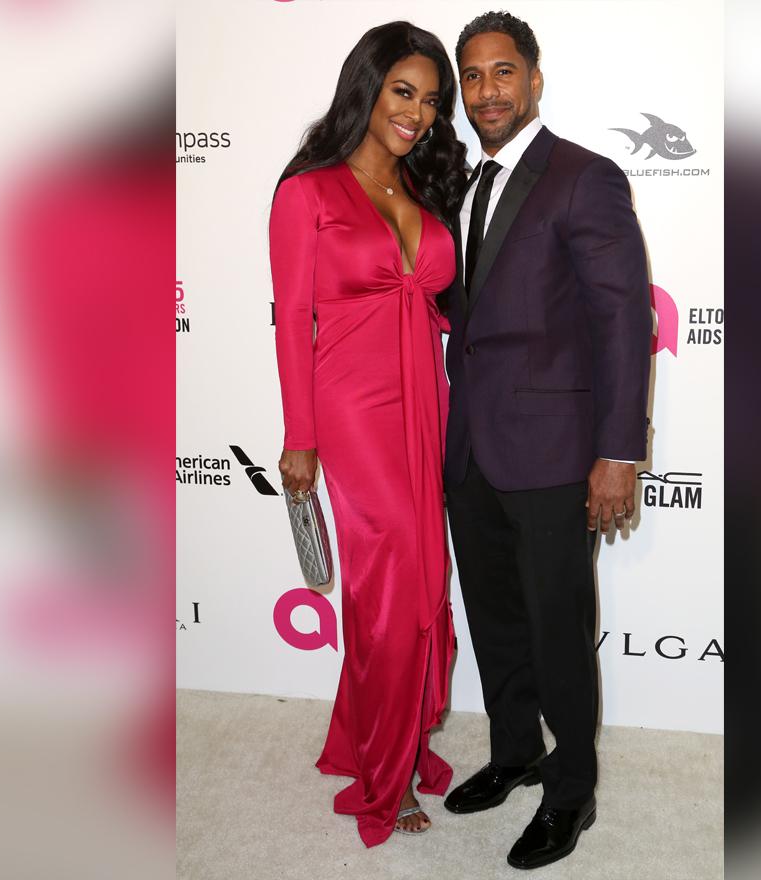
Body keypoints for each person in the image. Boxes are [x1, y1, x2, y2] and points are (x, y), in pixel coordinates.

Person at [439, 11, 653, 871]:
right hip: (471, 449)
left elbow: (621, 322)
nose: (486, 91)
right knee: (494, 617)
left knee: (559, 626)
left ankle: (573, 792)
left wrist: (619, 453)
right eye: (472, 77)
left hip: (559, 452)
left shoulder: (584, 177)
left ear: (533, 79)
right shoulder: (460, 184)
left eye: (501, 73)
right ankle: (515, 750)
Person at [269, 21, 468, 847]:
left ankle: (372, 738)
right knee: (390, 598)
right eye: (402, 92)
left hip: (430, 408)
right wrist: (299, 439)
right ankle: (385, 783)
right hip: (353, 416)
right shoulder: (307, 194)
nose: (417, 114)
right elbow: (290, 325)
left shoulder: (425, 191)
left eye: (429, 100)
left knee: (421, 591)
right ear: (367, 88)